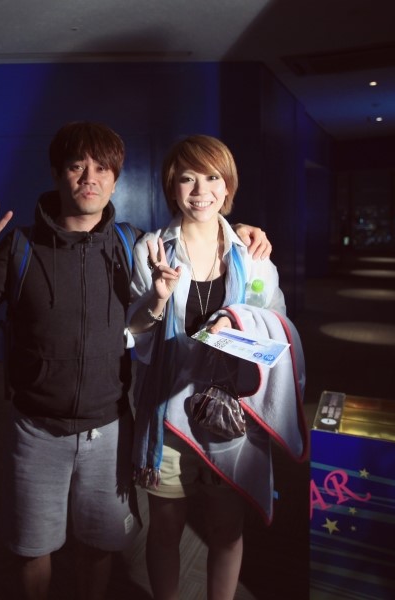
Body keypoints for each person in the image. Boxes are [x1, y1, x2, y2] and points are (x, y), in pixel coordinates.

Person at [0, 122, 273, 600]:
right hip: (38, 426)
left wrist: (245, 230)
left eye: (102, 168)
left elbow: (201, 231)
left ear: (115, 180)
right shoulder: (21, 245)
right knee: (33, 547)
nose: (90, 178)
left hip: (109, 426)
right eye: (77, 167)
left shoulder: (131, 244)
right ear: (57, 174)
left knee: (100, 542)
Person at [127, 134, 307, 600]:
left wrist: (239, 331)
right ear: (172, 187)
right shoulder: (152, 249)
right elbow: (134, 337)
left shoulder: (252, 253)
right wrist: (158, 299)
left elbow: (276, 334)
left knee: (226, 529)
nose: (200, 190)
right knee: (165, 528)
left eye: (212, 178)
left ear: (228, 187)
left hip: (232, 416)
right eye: (187, 179)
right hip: (167, 414)